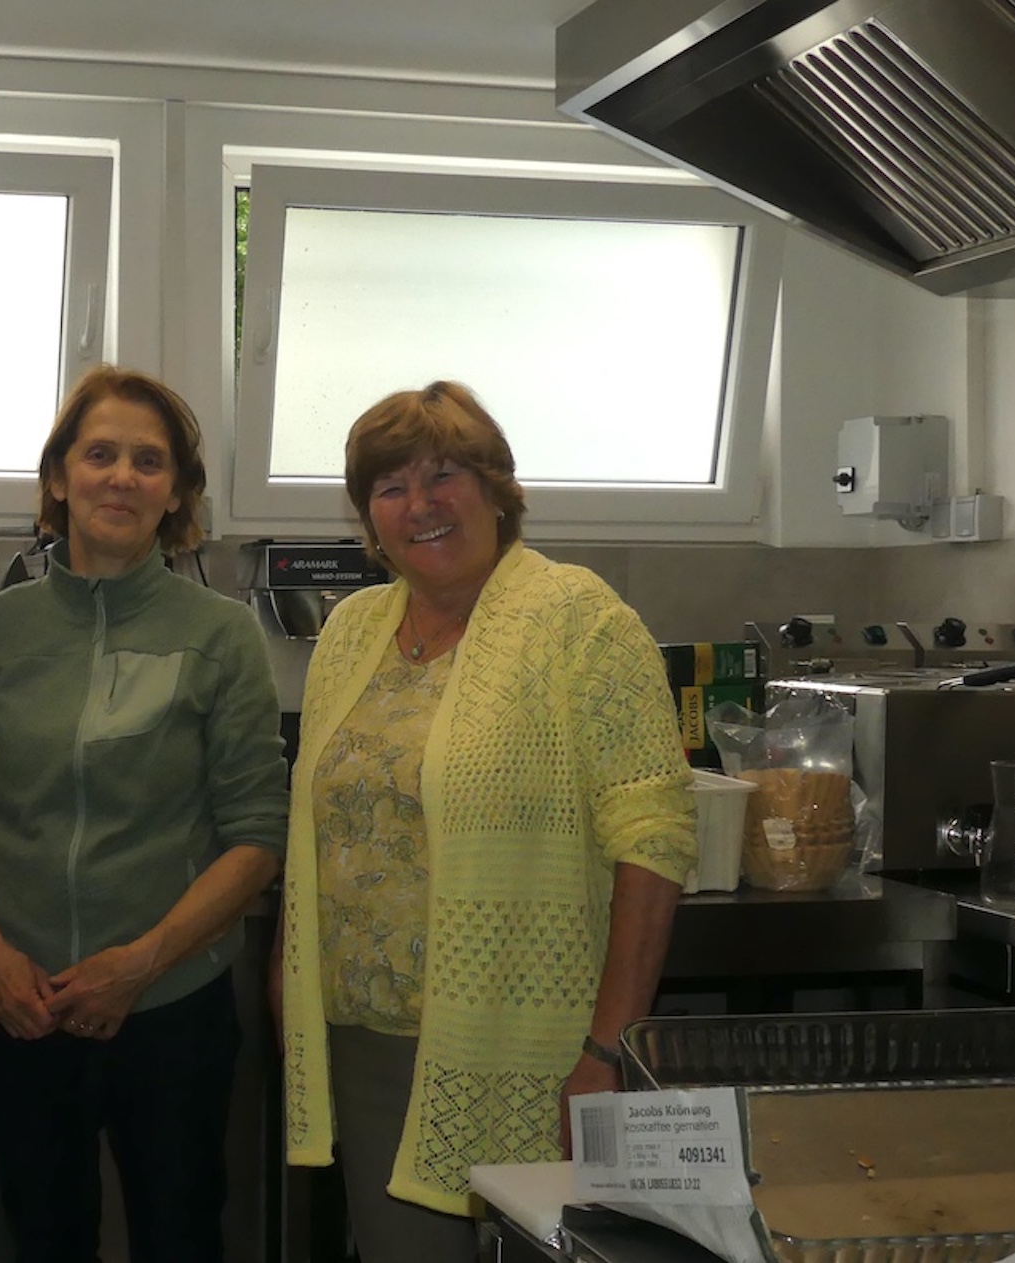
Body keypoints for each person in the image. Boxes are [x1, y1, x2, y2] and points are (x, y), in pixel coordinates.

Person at [277, 381, 695, 1262]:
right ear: (368, 516)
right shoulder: (351, 630)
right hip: (365, 1043)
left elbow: (653, 837)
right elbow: (317, 826)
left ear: (497, 489)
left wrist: (608, 1048)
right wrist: (289, 977)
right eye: (390, 487)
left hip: (526, 1045)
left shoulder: (579, 619)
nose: (420, 505)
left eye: (444, 475)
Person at [0, 365, 289, 1263]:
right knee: (44, 1238)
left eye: (148, 461)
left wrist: (141, 962)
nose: (122, 477)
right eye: (100, 455)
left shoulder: (222, 635)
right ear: (59, 476)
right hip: (24, 1005)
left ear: (177, 493)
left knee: (180, 1237)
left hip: (171, 1004)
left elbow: (256, 834)